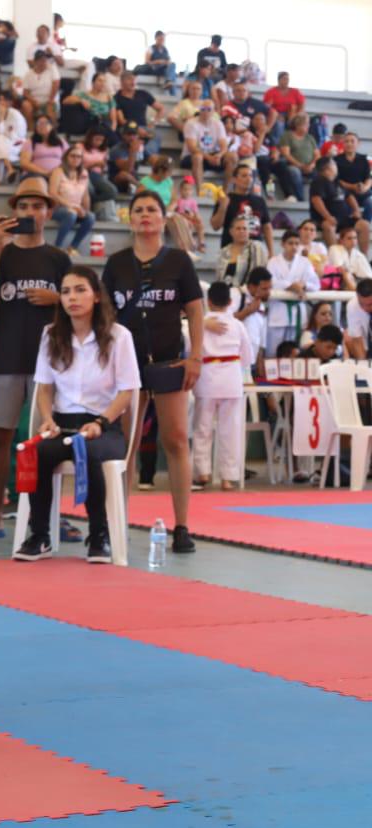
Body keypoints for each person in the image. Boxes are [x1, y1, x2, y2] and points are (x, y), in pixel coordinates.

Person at [0, 177, 70, 541]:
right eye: (23, 207)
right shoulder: (5, 254)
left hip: (48, 363)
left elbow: (82, 302)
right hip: (7, 359)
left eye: (37, 206)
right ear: (14, 212)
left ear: (49, 212)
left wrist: (56, 299)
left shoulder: (59, 259)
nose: (30, 213)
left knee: (50, 441)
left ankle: (53, 515)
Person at [102, 190, 204, 555]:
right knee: (126, 444)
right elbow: (106, 317)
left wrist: (196, 357)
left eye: (151, 210)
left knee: (176, 439)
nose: (145, 215)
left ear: (163, 219)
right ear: (130, 219)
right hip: (128, 364)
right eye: (138, 210)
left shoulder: (178, 261)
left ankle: (182, 526)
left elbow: (194, 310)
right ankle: (119, 522)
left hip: (170, 359)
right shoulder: (116, 264)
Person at [16, 265, 139, 562]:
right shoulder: (51, 334)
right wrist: (47, 417)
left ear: (96, 296)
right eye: (66, 291)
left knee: (92, 452)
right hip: (63, 426)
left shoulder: (118, 336)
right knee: (38, 453)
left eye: (80, 290)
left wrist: (100, 422)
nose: (72, 297)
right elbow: (44, 388)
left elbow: (127, 392)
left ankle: (99, 535)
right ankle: (40, 535)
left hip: (104, 427)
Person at [190, 280, 252, 491]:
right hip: (232, 378)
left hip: (207, 378)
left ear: (208, 301)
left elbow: (191, 347)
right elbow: (247, 358)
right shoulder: (237, 325)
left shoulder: (200, 322)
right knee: (231, 430)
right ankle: (228, 477)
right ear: (230, 301)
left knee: (202, 428)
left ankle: (202, 472)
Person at [265, 229, 319, 356]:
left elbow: (315, 284)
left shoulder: (304, 262)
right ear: (283, 244)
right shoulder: (273, 262)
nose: (294, 247)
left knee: (296, 350)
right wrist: (291, 286)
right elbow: (270, 282)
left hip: (297, 310)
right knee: (274, 348)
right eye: (290, 243)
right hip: (279, 308)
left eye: (296, 243)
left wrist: (303, 285)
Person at [212, 163, 274, 253]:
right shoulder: (225, 199)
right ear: (234, 179)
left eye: (250, 176)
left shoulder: (260, 200)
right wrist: (223, 207)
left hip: (255, 251)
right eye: (244, 176)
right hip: (231, 251)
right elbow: (215, 226)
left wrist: (271, 252)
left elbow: (267, 227)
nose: (249, 179)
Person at [311, 156, 370, 249]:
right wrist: (328, 216)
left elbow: (349, 196)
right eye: (334, 164)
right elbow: (316, 200)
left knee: (364, 225)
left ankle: (364, 259)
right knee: (328, 226)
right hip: (326, 219)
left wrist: (356, 210)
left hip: (344, 218)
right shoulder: (319, 181)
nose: (336, 166)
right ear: (327, 168)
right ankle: (336, 258)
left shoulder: (337, 182)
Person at [48, 145, 94, 254]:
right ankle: (57, 247)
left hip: (76, 208)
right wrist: (71, 206)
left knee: (91, 217)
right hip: (58, 208)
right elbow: (52, 193)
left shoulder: (84, 173)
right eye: (73, 156)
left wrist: (85, 210)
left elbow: (85, 195)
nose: (76, 159)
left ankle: (73, 247)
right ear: (66, 157)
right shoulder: (58, 171)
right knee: (71, 214)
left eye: (79, 157)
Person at [182, 100, 236, 188]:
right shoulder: (191, 123)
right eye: (203, 109)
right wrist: (209, 158)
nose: (205, 112)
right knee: (198, 157)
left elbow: (224, 145)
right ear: (199, 110)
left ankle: (225, 191)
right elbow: (192, 147)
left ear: (213, 111)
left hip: (213, 156)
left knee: (233, 156)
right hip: (191, 157)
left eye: (208, 109)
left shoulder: (218, 124)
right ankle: (200, 191)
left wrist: (219, 155)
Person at [215, 217, 270, 289]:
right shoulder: (223, 252)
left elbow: (262, 274)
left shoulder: (258, 248)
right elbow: (219, 278)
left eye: (244, 228)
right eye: (238, 228)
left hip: (249, 293)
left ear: (249, 231)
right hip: (226, 294)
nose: (241, 231)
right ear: (231, 231)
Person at [0, 91, 25, 184]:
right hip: (1, 144)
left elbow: (16, 135)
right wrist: (2, 118)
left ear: (10, 102)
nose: (1, 102)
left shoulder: (16, 115)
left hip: (16, 144)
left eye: (4, 100)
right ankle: (9, 168)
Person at [275, 114, 317, 203]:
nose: (308, 126)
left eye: (308, 124)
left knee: (323, 174)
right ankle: (300, 200)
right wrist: (301, 166)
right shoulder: (287, 136)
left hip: (310, 167)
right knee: (294, 171)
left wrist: (312, 165)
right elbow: (286, 154)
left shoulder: (310, 138)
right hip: (294, 165)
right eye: (306, 124)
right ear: (298, 125)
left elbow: (317, 155)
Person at [19, 114, 66, 181]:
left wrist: (55, 172)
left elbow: (68, 160)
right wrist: (45, 172)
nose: (41, 125)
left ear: (51, 126)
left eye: (45, 123)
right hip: (35, 175)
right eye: (39, 123)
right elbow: (24, 163)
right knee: (39, 181)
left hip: (58, 175)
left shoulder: (61, 142)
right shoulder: (30, 142)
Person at [20, 50, 59, 124]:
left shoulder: (52, 69)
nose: (43, 62)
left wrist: (50, 100)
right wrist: (33, 101)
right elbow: (25, 92)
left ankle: (52, 132)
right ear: (35, 62)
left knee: (50, 107)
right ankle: (30, 131)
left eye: (44, 60)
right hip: (34, 101)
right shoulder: (28, 74)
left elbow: (56, 85)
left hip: (49, 100)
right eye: (40, 60)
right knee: (25, 105)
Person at [329, 226, 372, 290]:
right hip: (337, 281)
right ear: (342, 240)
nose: (353, 241)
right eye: (349, 238)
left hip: (356, 281)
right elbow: (340, 269)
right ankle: (357, 291)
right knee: (346, 274)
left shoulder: (359, 255)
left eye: (355, 238)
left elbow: (368, 276)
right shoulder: (334, 249)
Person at [134, 30, 177, 94]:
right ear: (156, 39)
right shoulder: (151, 48)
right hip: (154, 69)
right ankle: (172, 90)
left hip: (163, 69)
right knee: (172, 76)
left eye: (163, 39)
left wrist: (167, 62)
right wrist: (158, 61)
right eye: (160, 39)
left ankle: (169, 83)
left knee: (173, 67)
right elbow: (147, 62)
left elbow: (169, 61)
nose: (161, 41)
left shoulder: (165, 49)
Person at [344, 278, 372, 359]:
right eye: (361, 304)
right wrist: (363, 367)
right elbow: (357, 341)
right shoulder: (353, 306)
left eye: (370, 304)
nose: (365, 308)